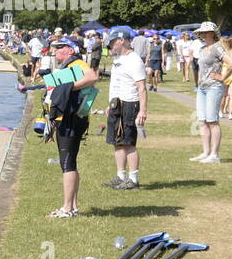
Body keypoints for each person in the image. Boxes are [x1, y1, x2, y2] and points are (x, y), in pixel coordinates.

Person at [22, 37, 98, 217]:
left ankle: (67, 209)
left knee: (67, 163)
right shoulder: (68, 66)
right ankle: (73, 207)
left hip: (72, 120)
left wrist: (68, 87)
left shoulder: (77, 63)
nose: (55, 50)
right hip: (70, 118)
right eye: (54, 47)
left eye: (59, 47)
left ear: (71, 50)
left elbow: (92, 77)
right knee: (69, 162)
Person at [102, 27, 147, 190]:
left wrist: (142, 110)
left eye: (112, 42)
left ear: (122, 40)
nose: (110, 46)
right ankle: (120, 176)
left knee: (128, 142)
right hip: (117, 104)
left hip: (129, 104)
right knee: (117, 142)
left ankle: (133, 179)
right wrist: (110, 104)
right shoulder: (119, 59)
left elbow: (141, 87)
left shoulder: (134, 60)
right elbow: (116, 84)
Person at [191, 22, 229, 163]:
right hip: (202, 88)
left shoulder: (217, 47)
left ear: (213, 33)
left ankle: (214, 155)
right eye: (202, 32)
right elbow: (201, 68)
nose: (204, 34)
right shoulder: (202, 49)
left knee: (212, 121)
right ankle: (206, 152)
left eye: (207, 32)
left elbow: (231, 63)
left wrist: (222, 77)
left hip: (214, 87)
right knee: (202, 121)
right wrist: (198, 83)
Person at [218, 35, 232, 119]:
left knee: (223, 95)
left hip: (224, 74)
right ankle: (230, 114)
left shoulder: (223, 52)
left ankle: (221, 112)